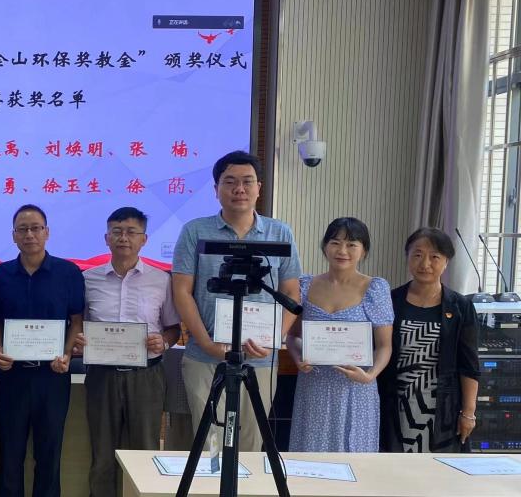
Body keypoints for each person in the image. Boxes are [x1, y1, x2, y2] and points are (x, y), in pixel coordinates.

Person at [171, 150, 302, 452]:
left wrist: (273, 341)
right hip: (206, 357)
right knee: (211, 447)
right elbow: (182, 292)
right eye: (229, 182)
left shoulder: (279, 231)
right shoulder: (194, 231)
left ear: (259, 187)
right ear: (216, 189)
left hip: (260, 357)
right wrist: (207, 344)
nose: (239, 189)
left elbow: (291, 293)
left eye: (247, 181)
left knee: (251, 445)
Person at [78, 206, 180, 497]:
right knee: (102, 455)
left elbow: (173, 328)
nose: (124, 238)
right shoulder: (88, 279)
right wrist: (78, 341)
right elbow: (79, 325)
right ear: (106, 238)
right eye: (117, 232)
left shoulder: (162, 280)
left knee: (145, 451)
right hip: (101, 376)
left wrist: (164, 341)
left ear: (144, 239)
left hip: (146, 376)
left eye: (131, 232)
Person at [0, 204, 84, 497]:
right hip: (12, 376)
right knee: (10, 454)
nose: (29, 234)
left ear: (47, 232)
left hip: (52, 377)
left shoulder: (68, 273)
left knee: (49, 454)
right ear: (13, 235)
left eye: (35, 228)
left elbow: (76, 320)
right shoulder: (1, 274)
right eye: (22, 229)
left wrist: (66, 354)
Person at [286, 217, 393, 452]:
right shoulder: (305, 285)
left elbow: (385, 346)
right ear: (325, 246)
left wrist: (370, 375)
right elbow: (292, 336)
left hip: (355, 388)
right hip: (314, 386)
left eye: (351, 244)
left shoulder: (375, 288)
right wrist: (297, 358)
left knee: (353, 456)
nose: (342, 251)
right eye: (335, 242)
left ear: (364, 251)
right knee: (310, 455)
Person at [378, 228, 480, 453]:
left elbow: (469, 365)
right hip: (395, 404)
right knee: (394, 466)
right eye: (417, 255)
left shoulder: (460, 306)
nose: (425, 263)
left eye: (434, 257)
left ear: (446, 262)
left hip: (442, 407)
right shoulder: (390, 300)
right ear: (407, 257)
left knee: (438, 469)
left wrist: (468, 412)